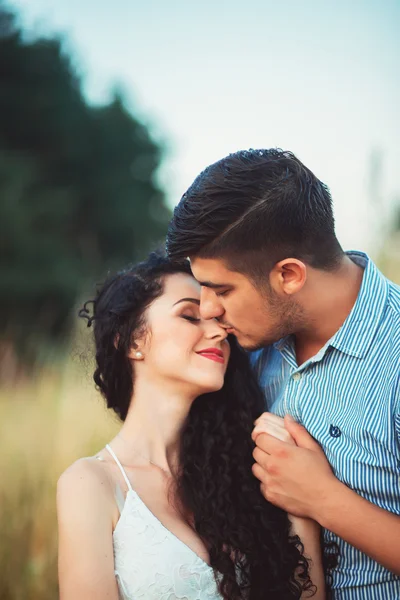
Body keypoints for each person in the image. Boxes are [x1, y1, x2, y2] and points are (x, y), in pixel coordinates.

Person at [166, 148, 400, 600]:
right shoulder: (239, 347)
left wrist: (324, 500)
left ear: (289, 275)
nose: (209, 309)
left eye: (222, 290)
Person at [56, 252, 325, 600]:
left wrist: (304, 508)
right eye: (189, 316)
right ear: (134, 341)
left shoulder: (240, 471)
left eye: (218, 321)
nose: (218, 332)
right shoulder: (90, 483)